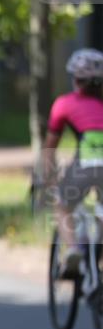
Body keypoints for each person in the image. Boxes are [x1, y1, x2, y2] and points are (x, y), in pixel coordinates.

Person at [41, 47, 103, 278]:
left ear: (76, 81)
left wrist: (49, 178)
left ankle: (74, 250)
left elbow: (49, 148)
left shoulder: (64, 104)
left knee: (61, 203)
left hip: (86, 166)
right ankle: (96, 257)